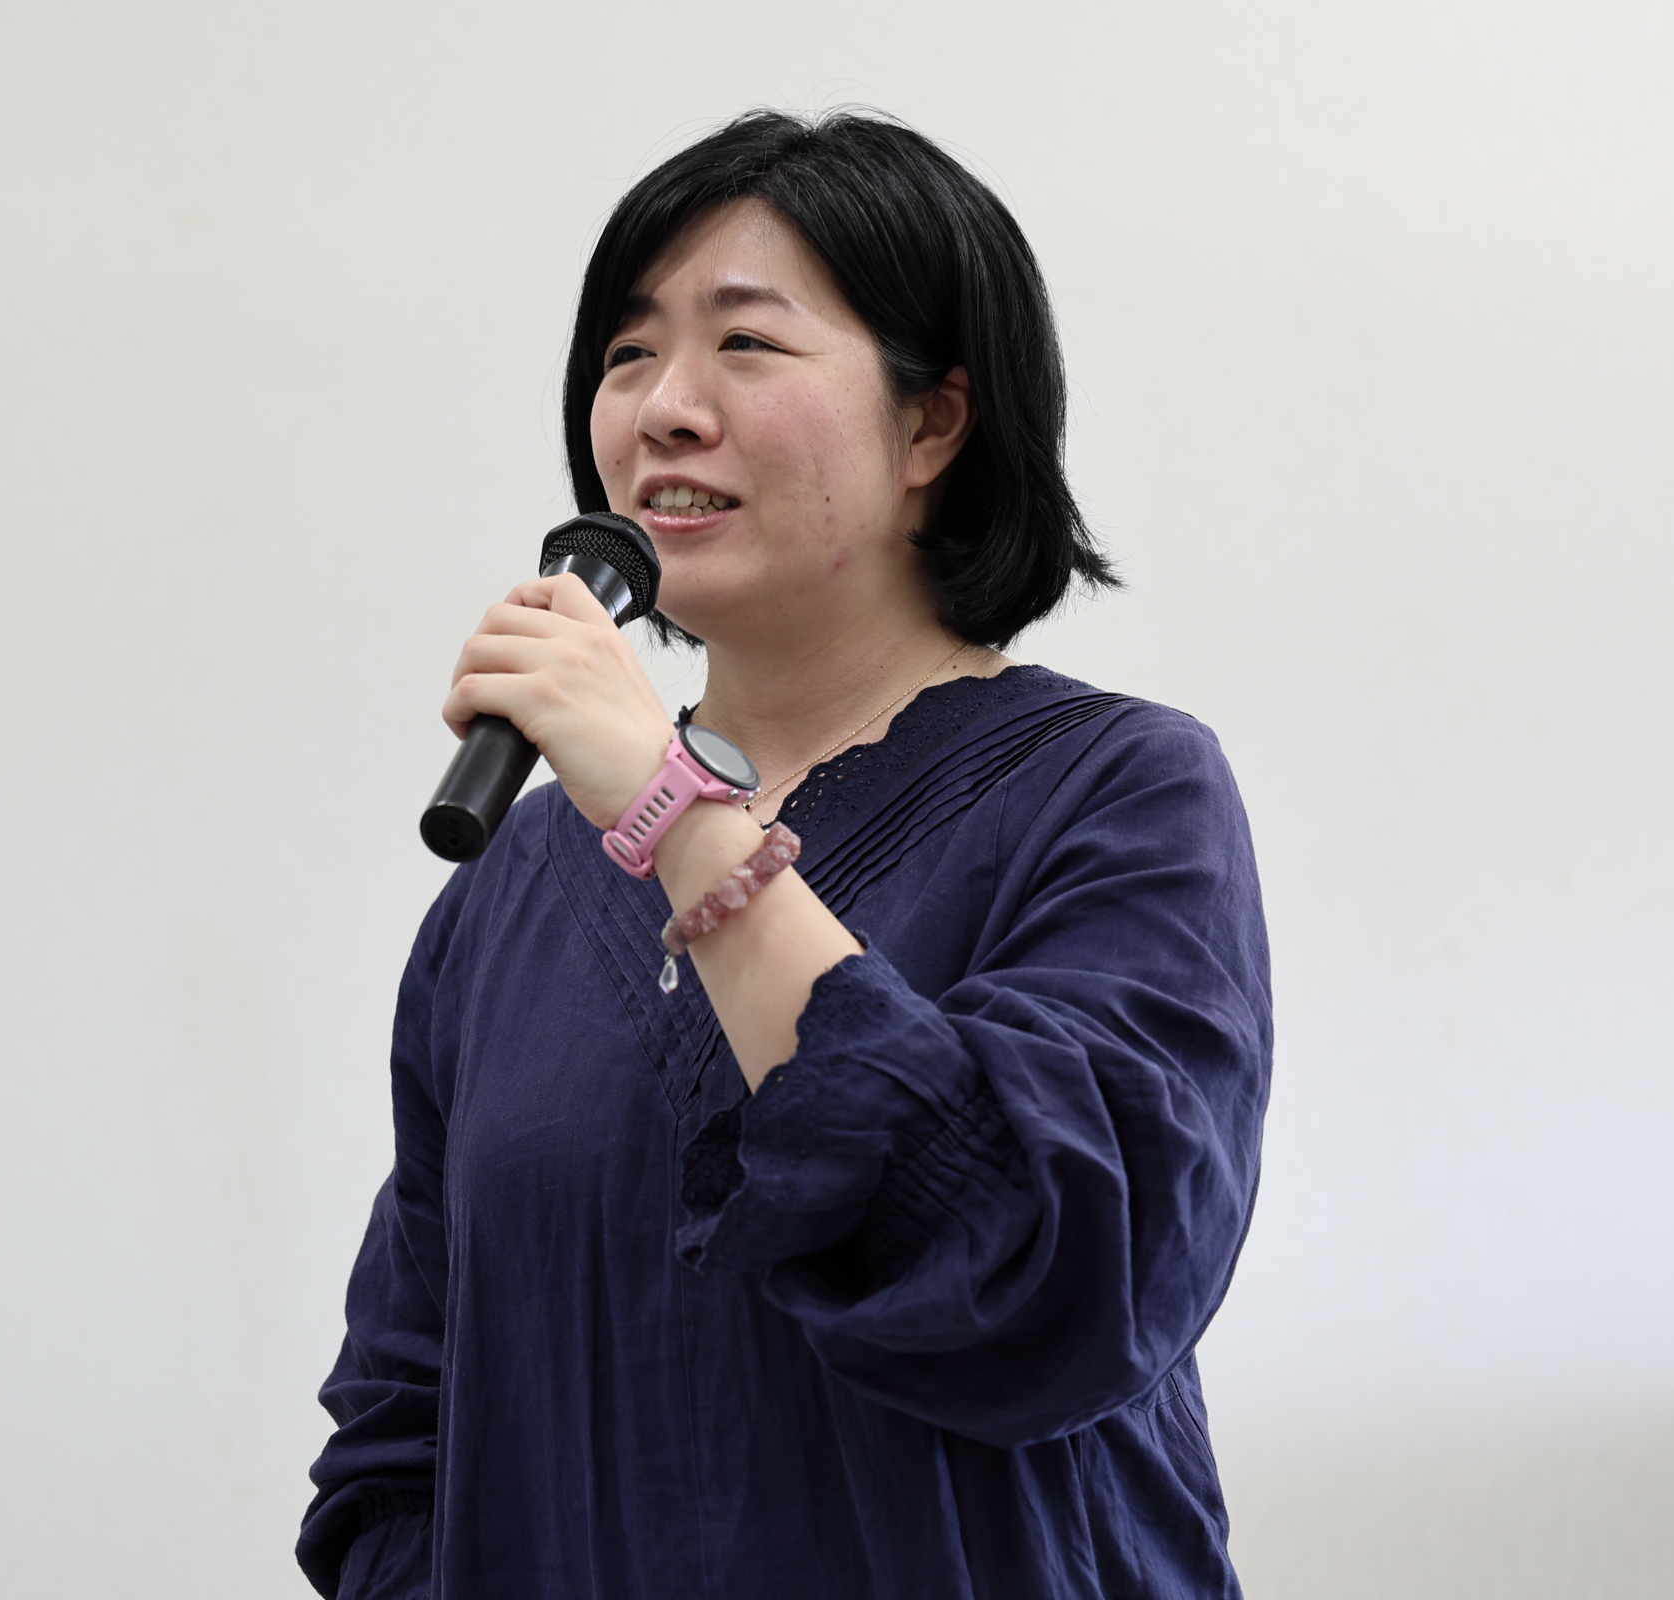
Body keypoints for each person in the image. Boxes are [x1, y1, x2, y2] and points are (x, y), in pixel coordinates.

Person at [298, 108, 1271, 1599]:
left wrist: (674, 807)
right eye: (628, 353)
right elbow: (402, 1426)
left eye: (746, 343)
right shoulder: (511, 887)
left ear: (932, 424)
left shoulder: (1114, 795)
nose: (662, 409)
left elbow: (1062, 1280)